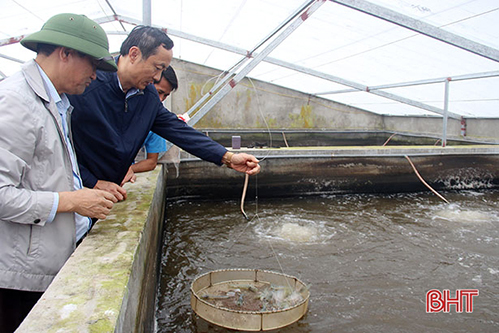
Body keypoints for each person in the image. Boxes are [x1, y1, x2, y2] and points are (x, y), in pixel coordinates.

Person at [0, 13, 118, 332]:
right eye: (92, 63)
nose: (95, 75)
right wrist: (71, 201)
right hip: (19, 278)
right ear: (65, 53)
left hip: (47, 258)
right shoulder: (15, 102)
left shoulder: (56, 101)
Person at [69, 26, 260, 203]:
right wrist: (92, 181)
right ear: (134, 54)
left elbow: (178, 130)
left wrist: (227, 157)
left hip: (110, 193)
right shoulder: (86, 85)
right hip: (75, 192)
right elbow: (60, 145)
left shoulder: (147, 96)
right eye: (157, 67)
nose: (158, 78)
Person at [132, 66, 178, 173]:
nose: (160, 99)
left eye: (166, 95)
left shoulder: (155, 120)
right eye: (159, 92)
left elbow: (152, 162)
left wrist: (129, 169)